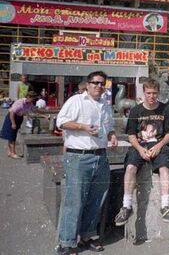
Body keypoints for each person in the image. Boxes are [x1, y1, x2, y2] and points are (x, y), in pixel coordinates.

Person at [55, 71, 118, 254]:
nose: (99, 86)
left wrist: (112, 136)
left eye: (102, 84)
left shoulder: (105, 105)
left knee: (96, 199)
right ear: (88, 84)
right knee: (74, 200)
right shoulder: (76, 101)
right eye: (95, 83)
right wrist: (83, 127)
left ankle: (86, 237)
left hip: (100, 157)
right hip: (78, 157)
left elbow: (109, 127)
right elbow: (61, 122)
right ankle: (66, 242)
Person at [114, 78, 169, 226]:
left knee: (164, 169)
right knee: (130, 168)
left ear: (158, 93)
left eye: (154, 93)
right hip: (140, 145)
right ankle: (126, 206)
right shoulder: (136, 110)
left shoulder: (165, 110)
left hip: (159, 145)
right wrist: (140, 149)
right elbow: (131, 135)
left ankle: (165, 206)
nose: (151, 96)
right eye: (148, 93)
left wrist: (159, 146)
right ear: (144, 93)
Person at [0, 91, 41, 158]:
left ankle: (9, 152)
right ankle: (13, 153)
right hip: (12, 118)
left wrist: (44, 116)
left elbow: (34, 110)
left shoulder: (30, 103)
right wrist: (13, 123)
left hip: (19, 118)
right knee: (12, 136)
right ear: (28, 97)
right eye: (33, 99)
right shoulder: (20, 102)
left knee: (12, 135)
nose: (33, 101)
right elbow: (12, 113)